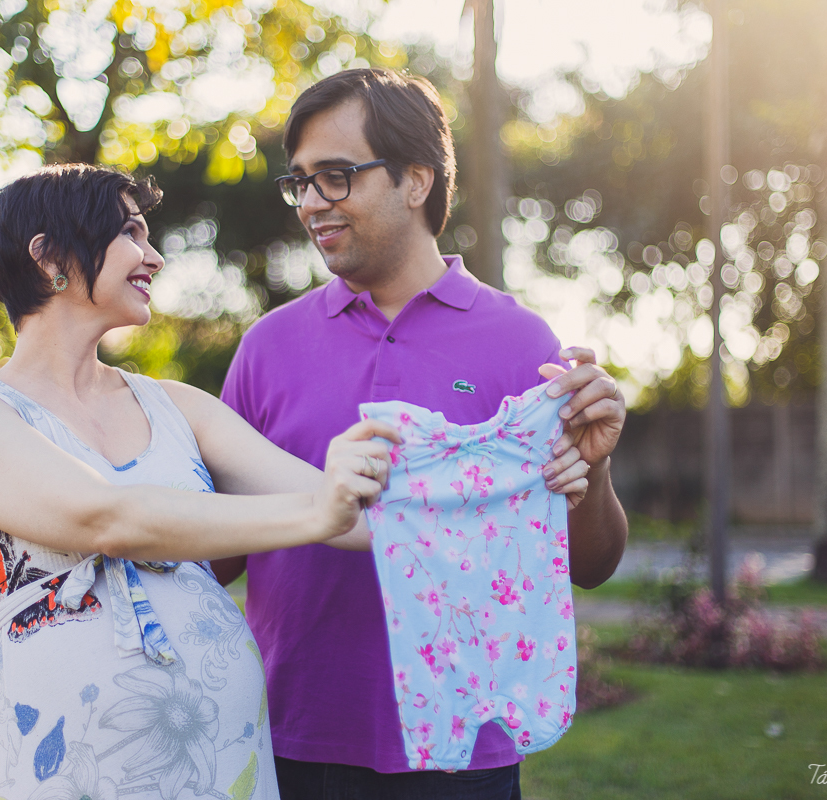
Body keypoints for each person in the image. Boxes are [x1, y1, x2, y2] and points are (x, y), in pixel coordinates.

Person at [0, 164, 406, 800]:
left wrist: (514, 467)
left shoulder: (178, 405)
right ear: (49, 257)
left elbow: (360, 518)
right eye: (129, 232)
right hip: (69, 764)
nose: (153, 256)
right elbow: (106, 518)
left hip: (224, 755)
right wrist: (318, 514)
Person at [212, 68, 629, 800]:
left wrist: (591, 473)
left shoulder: (521, 344)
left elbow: (591, 565)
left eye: (335, 177)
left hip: (466, 753)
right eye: (300, 182)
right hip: (292, 735)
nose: (310, 203)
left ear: (415, 179)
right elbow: (217, 555)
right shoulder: (266, 348)